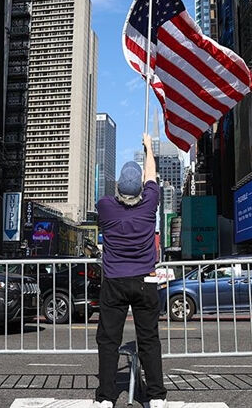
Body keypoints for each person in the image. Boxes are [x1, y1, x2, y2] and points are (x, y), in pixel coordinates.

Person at [94, 133, 166, 408]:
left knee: (109, 340)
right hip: (145, 280)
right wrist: (148, 147)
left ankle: (106, 397)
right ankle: (156, 396)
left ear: (118, 189)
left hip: (114, 281)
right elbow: (151, 176)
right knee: (149, 338)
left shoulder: (105, 207)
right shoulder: (149, 205)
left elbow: (144, 180)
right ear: (140, 190)